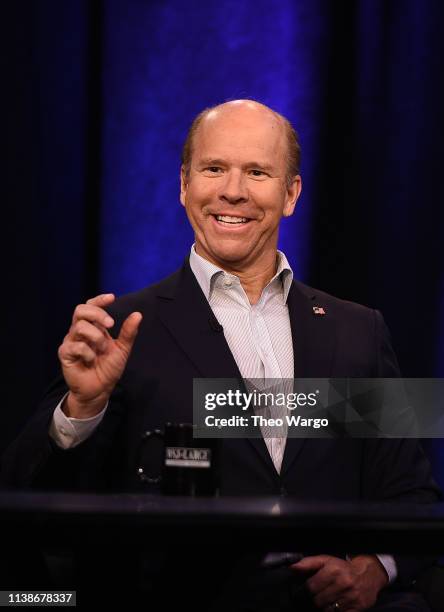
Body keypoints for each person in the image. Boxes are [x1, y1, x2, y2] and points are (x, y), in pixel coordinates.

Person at [1, 100, 441, 611]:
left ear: (291, 193)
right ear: (184, 185)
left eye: (257, 171)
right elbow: (27, 499)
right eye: (214, 169)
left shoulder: (358, 329)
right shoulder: (120, 329)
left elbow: (413, 496)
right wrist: (82, 410)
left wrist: (374, 569)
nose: (233, 190)